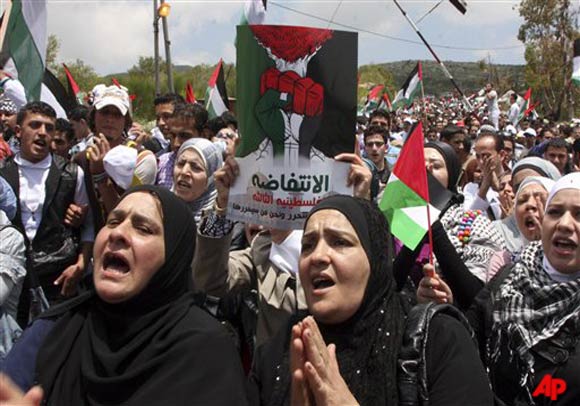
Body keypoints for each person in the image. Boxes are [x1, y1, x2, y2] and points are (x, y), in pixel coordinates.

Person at [1, 185, 248, 405]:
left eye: (143, 228)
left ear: (173, 257)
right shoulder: (53, 331)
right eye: (112, 221)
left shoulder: (206, 352)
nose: (117, 233)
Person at [248, 195, 494, 406]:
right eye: (308, 245)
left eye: (339, 242)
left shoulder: (439, 341)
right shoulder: (277, 351)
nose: (318, 256)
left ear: (375, 260)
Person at [419, 172, 580, 405]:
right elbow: (470, 341)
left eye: (579, 214)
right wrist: (444, 308)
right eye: (555, 212)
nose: (564, 224)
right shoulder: (509, 277)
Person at [0, 102, 94, 314]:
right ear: (18, 131)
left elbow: (89, 227)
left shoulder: (71, 174)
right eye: (34, 125)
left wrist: (81, 264)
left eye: (48, 128)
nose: (42, 133)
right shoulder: (2, 174)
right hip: (11, 277)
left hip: (57, 279)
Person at [395, 142, 504, 309]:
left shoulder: (471, 222)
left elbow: (476, 296)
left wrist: (434, 227)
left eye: (436, 165)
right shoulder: (391, 219)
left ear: (452, 175)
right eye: (418, 164)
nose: (425, 168)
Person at [156, 102, 208, 189]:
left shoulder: (220, 171)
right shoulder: (160, 164)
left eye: (184, 136)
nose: (176, 144)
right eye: (172, 135)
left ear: (203, 135)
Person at [172, 137, 222, 223]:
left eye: (196, 167)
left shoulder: (222, 223)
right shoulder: (160, 210)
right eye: (181, 163)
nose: (184, 172)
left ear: (211, 179)